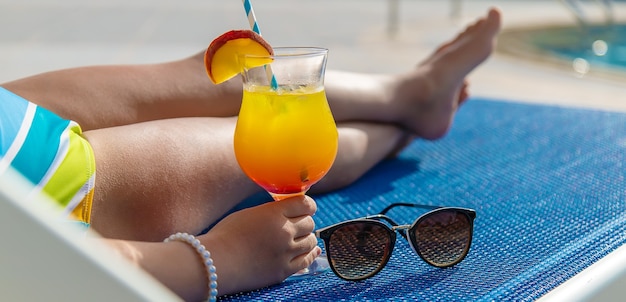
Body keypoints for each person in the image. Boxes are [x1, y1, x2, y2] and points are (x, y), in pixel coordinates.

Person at [0, 7, 501, 302]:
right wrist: (218, 259)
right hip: (39, 188)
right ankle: (404, 125)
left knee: (207, 78)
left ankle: (408, 95)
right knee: (280, 145)